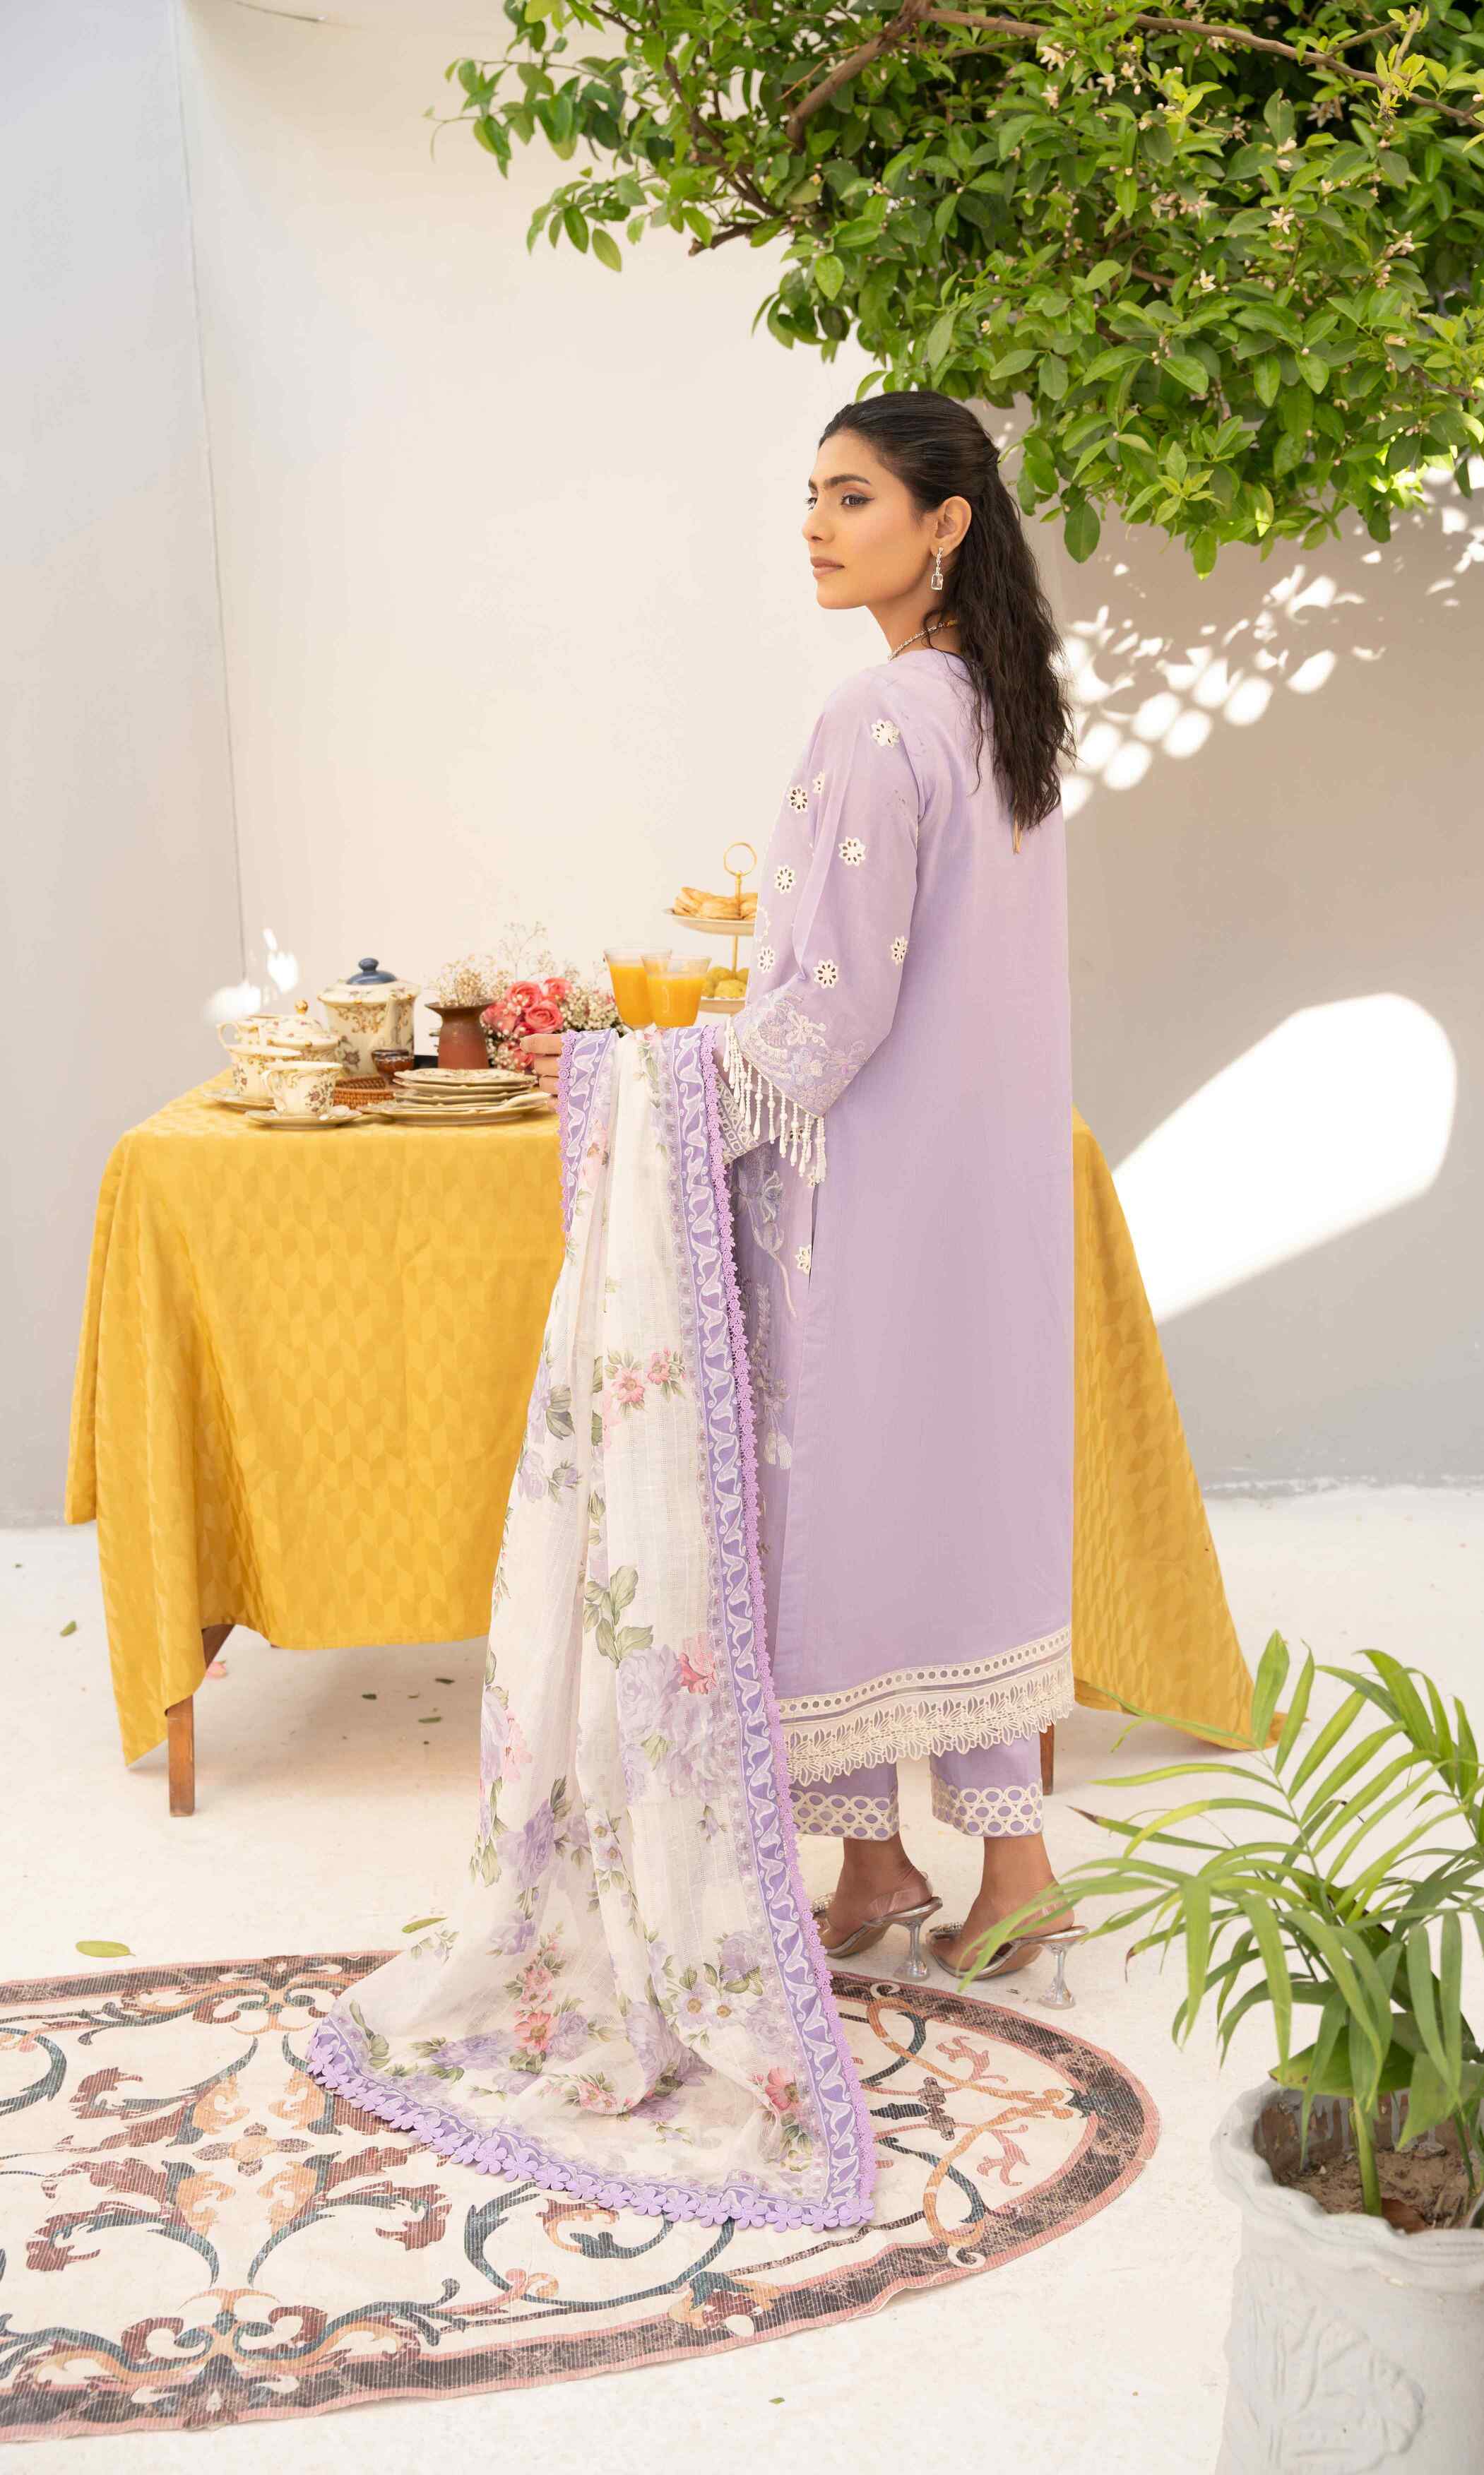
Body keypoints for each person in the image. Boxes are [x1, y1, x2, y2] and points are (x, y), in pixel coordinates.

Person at [527, 388, 1079, 1988]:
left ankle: (940, 1864)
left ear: (943, 523)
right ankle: (930, 1866)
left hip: (862, 1195)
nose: (817, 527)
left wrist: (646, 1080)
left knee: (829, 1511)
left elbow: (828, 1016)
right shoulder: (1010, 709)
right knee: (958, 1501)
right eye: (813, 498)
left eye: (852, 498)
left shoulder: (877, 718)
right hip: (980, 1194)